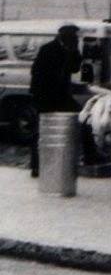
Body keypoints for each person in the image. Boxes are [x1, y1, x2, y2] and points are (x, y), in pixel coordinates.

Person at [28, 24, 81, 177]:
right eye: (74, 37)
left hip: (61, 95)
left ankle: (84, 155)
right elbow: (37, 72)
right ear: (66, 37)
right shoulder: (48, 49)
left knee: (80, 117)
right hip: (45, 96)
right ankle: (36, 166)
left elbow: (74, 68)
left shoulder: (69, 49)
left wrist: (74, 52)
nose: (76, 40)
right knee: (41, 130)